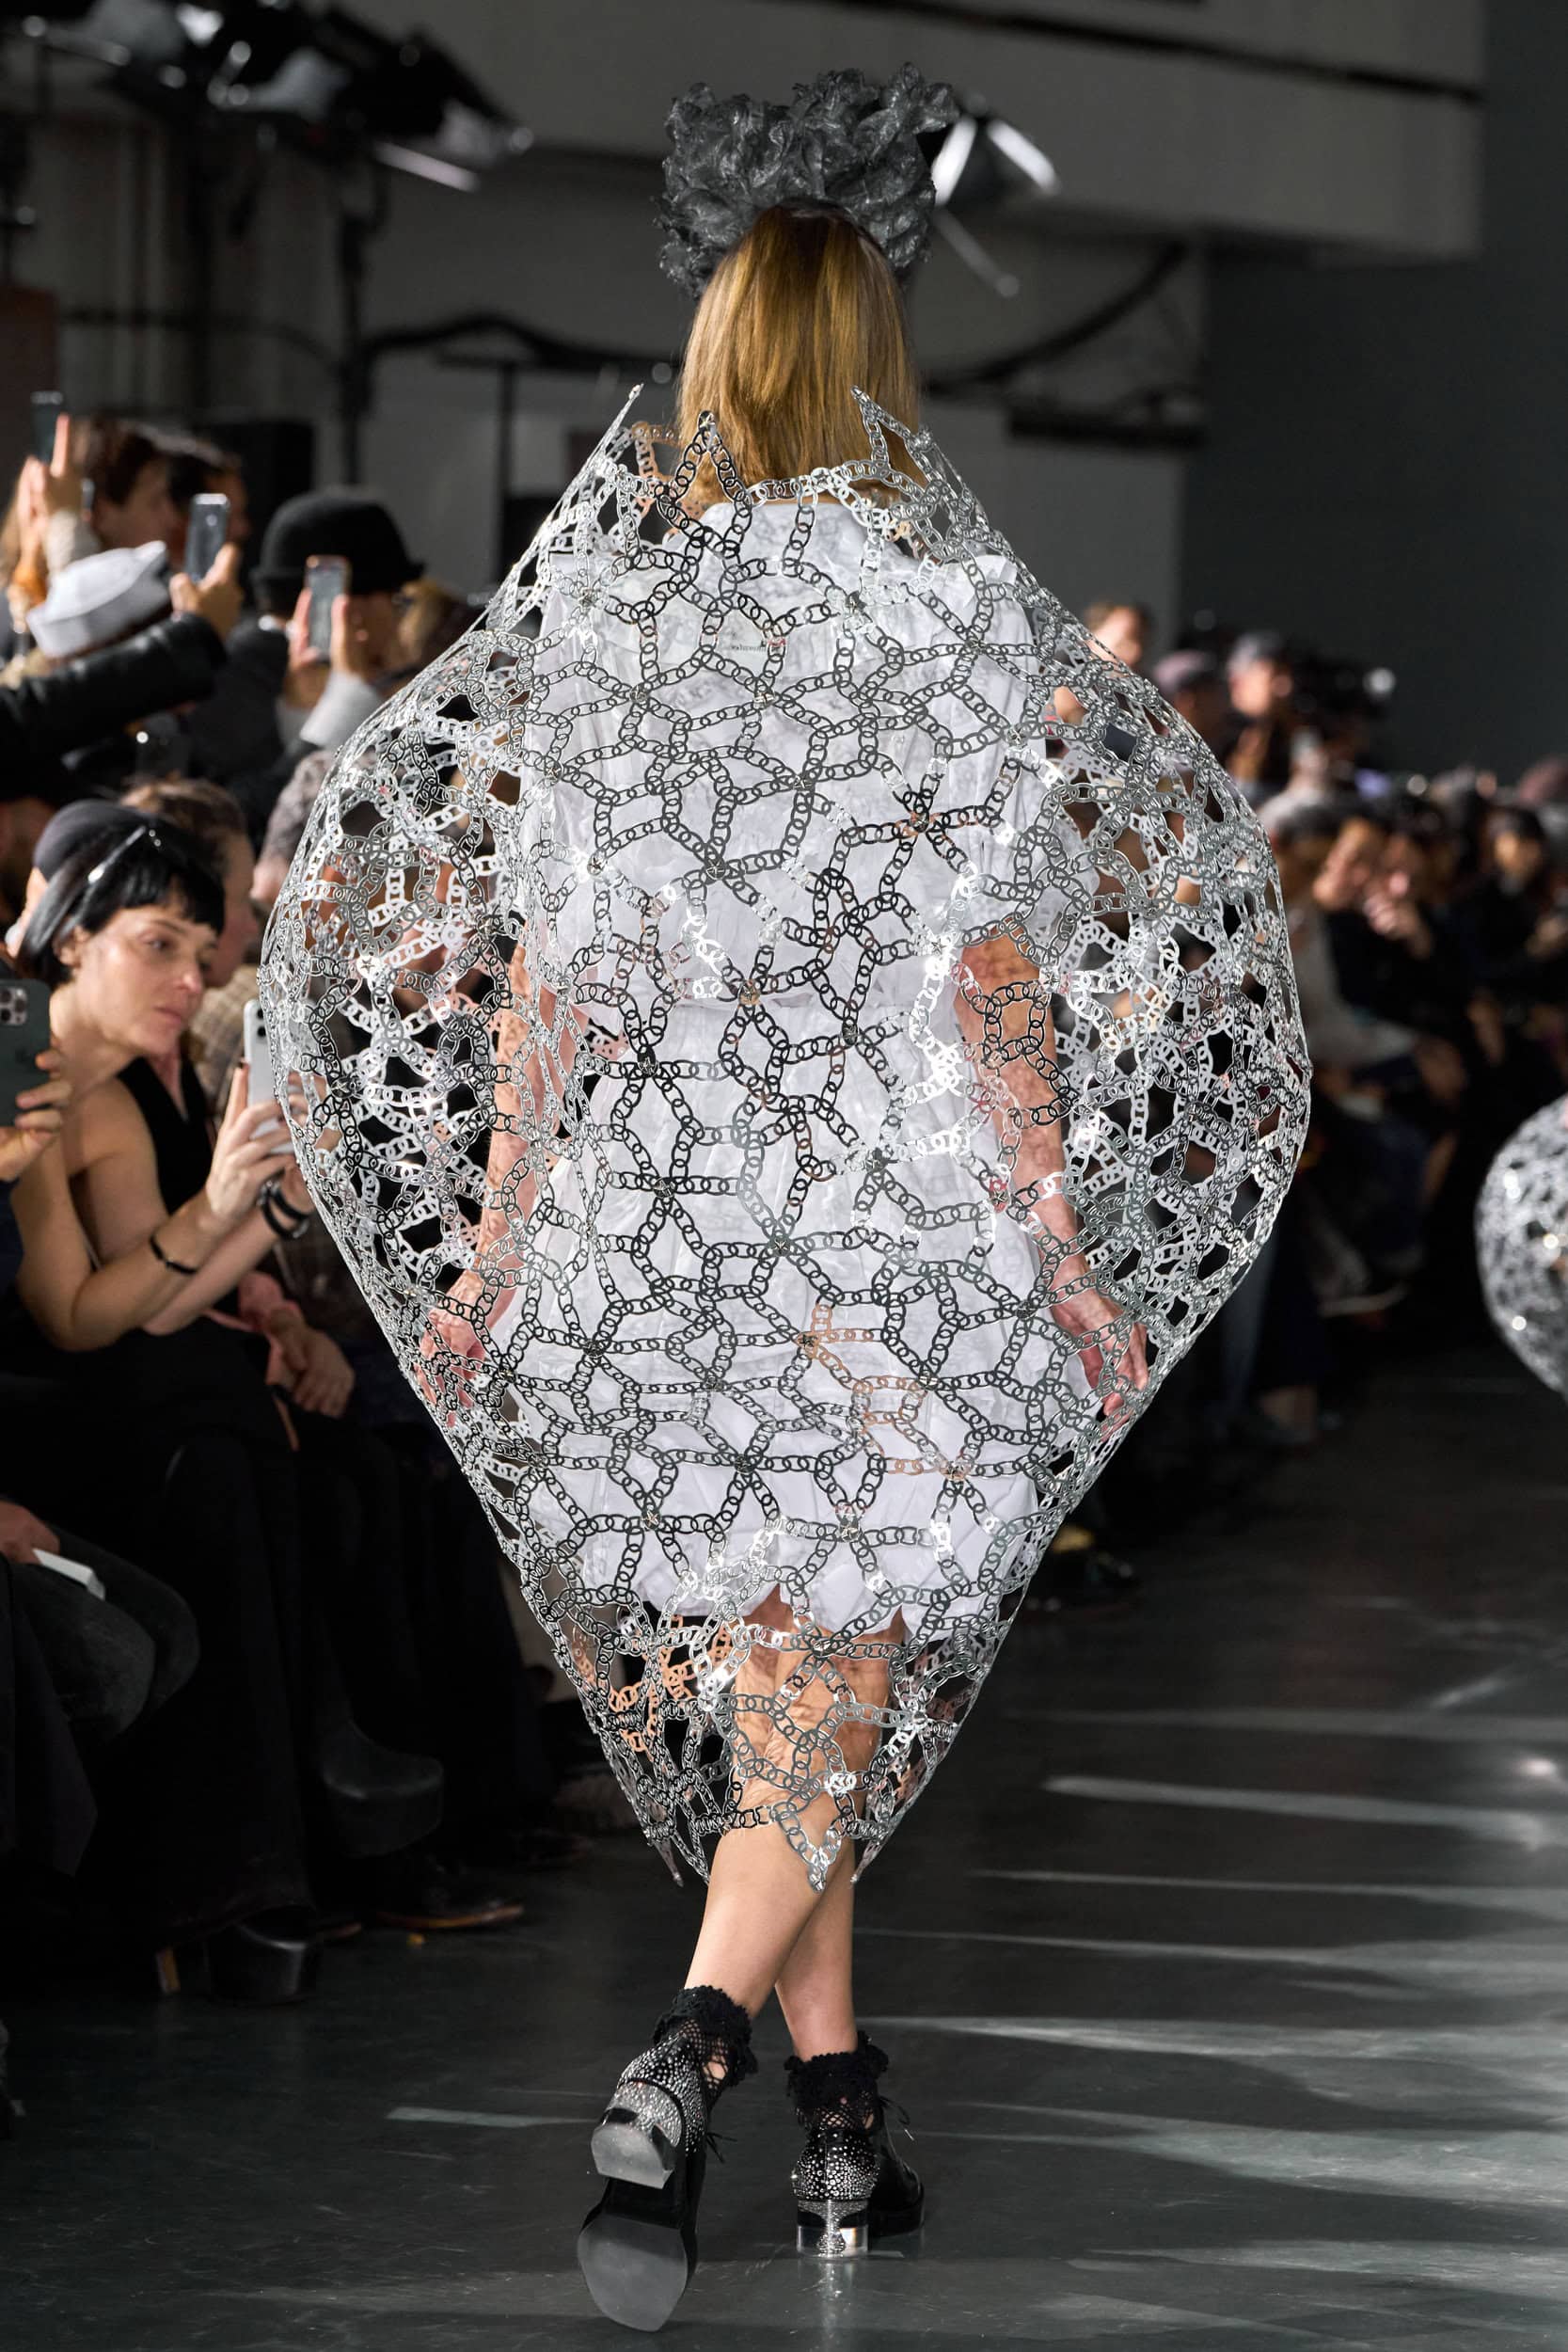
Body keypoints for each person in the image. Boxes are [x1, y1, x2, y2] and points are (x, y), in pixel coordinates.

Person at [260, 65, 1307, 2330]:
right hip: (889, 1239)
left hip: (660, 1235)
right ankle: (695, 2047)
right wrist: (1066, 1256)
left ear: (711, 358)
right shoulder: (951, 627)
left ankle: (842, 2116)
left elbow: (548, 992)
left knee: (790, 1699)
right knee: (833, 1689)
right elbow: (994, 990)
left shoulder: (613, 625)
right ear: (883, 362)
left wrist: (502, 1242)